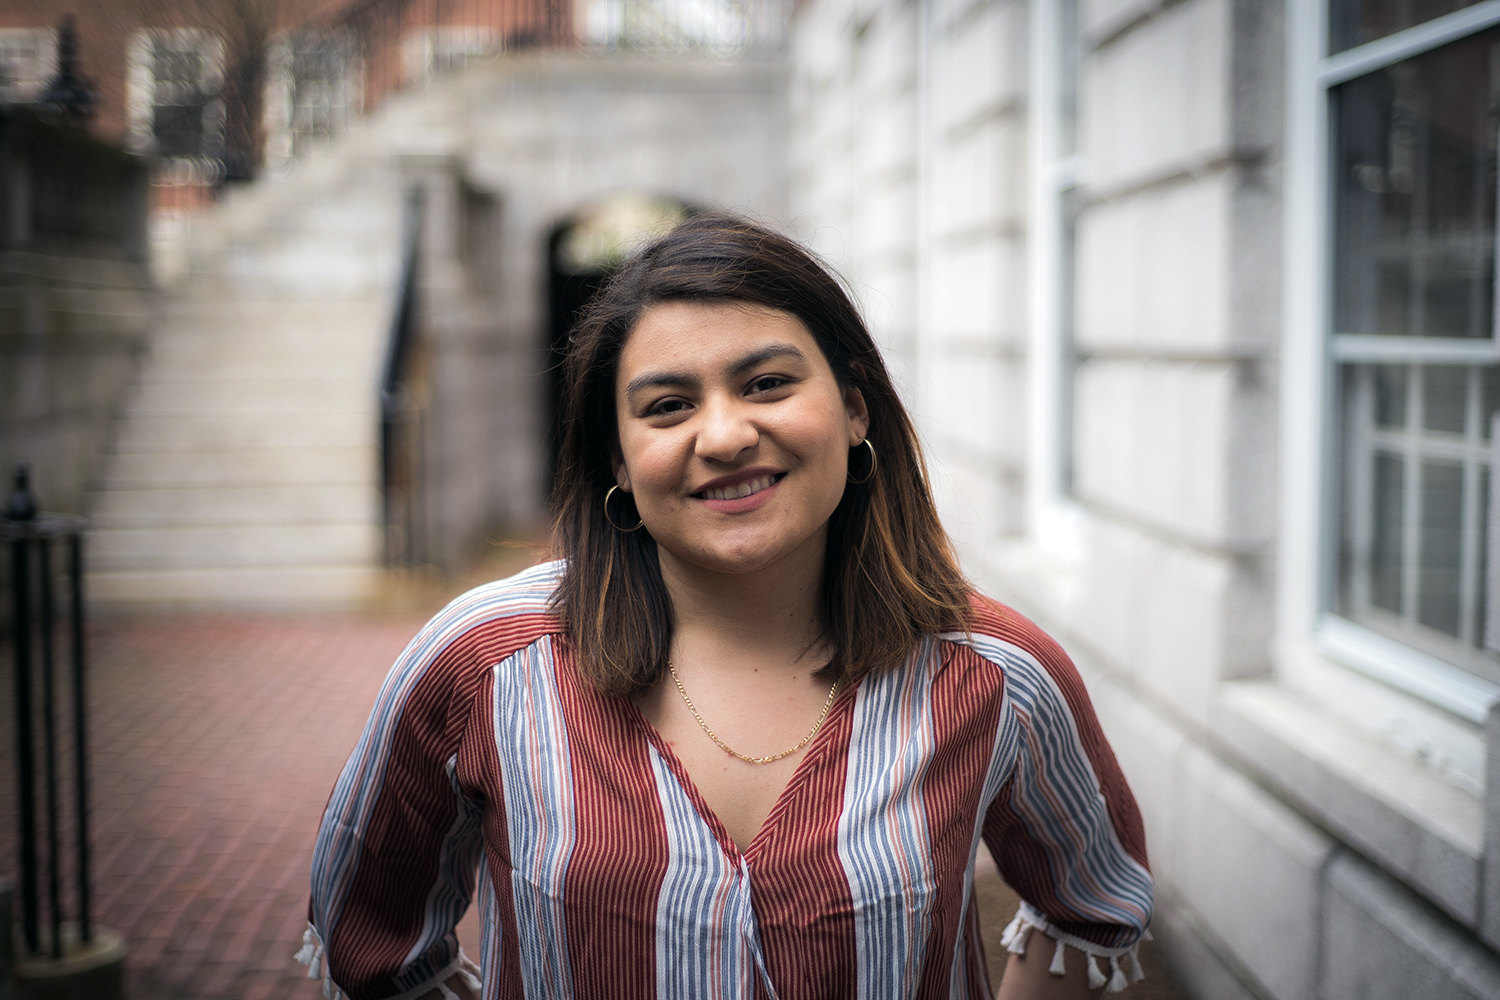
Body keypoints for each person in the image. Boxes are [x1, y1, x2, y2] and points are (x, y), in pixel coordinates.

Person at [298, 213, 1153, 1000]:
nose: (724, 435)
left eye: (768, 383)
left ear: (855, 407)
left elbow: (1091, 901)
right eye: (668, 407)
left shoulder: (999, 674)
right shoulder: (481, 664)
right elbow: (369, 939)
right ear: (620, 461)